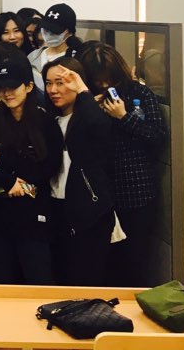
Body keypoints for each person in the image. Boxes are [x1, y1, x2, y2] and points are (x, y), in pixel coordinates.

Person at [79, 42, 167, 286]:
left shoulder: (141, 94)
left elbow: (157, 135)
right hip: (100, 193)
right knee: (104, 264)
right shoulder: (86, 100)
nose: (105, 85)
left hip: (136, 191)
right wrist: (91, 111)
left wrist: (123, 117)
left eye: (109, 78)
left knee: (135, 260)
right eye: (98, 80)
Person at [0, 54, 61, 284]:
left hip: (34, 214)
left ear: (28, 86)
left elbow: (49, 166)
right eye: (1, 88)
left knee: (38, 280)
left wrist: (0, 160)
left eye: (12, 87)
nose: (6, 93)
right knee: (1, 280)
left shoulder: (45, 121)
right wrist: (7, 181)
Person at [43, 57, 115, 286]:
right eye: (48, 83)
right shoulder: (49, 119)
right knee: (59, 277)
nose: (53, 90)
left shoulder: (89, 116)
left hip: (88, 209)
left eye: (61, 82)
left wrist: (83, 91)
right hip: (55, 205)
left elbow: (100, 128)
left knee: (86, 278)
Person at [27, 3, 84, 87]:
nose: (48, 34)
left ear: (68, 31)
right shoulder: (34, 56)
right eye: (46, 29)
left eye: (54, 31)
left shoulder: (75, 58)